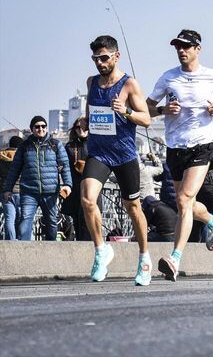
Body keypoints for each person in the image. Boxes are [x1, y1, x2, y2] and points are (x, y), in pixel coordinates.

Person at [146, 29, 213, 281]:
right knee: (181, 202)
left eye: (186, 46)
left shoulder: (211, 76)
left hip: (202, 145)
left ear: (198, 49)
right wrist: (164, 108)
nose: (181, 50)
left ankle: (175, 258)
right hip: (175, 147)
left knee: (186, 199)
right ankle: (211, 220)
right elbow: (147, 107)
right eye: (178, 46)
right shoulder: (168, 78)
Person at [81, 35, 152, 286]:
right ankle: (102, 251)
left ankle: (144, 258)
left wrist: (127, 111)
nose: (99, 63)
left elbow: (147, 119)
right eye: (95, 59)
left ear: (116, 56)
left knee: (133, 208)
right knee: (88, 198)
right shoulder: (91, 83)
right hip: (99, 152)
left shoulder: (129, 85)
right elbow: (91, 116)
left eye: (103, 58)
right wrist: (84, 123)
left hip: (124, 155)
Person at [3, 116, 72, 241]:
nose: (41, 129)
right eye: (37, 126)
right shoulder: (24, 147)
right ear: (32, 129)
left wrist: (67, 184)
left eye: (43, 126)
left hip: (50, 192)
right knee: (25, 221)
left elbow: (65, 166)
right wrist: (8, 189)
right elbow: (14, 170)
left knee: (51, 222)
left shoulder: (55, 144)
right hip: (29, 192)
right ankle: (25, 250)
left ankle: (51, 248)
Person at [61, 117, 93, 241]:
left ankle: (88, 245)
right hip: (75, 187)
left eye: (84, 127)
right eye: (78, 127)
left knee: (88, 218)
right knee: (76, 219)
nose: (81, 130)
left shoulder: (93, 144)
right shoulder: (69, 146)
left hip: (90, 186)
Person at [0, 136, 23, 240]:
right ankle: (21, 240)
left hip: (5, 192)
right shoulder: (22, 156)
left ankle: (11, 242)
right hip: (21, 192)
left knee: (9, 218)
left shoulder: (1, 157)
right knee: (22, 219)